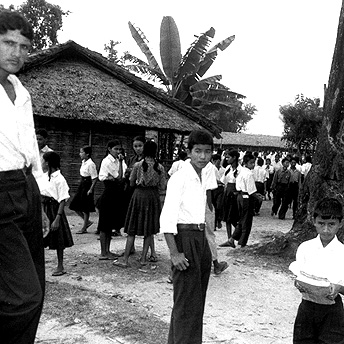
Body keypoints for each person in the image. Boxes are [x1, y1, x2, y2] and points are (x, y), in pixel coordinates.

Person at [0, 10, 49, 343]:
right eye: (7, 42)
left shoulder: (21, 90)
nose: (16, 53)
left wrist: (41, 200)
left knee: (38, 291)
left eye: (23, 46)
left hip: (27, 187)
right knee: (23, 296)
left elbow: (32, 147)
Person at [160, 129, 215, 344]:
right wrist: (174, 252)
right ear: (189, 152)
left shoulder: (205, 172)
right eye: (198, 151)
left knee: (196, 303)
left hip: (201, 239)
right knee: (185, 304)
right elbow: (166, 219)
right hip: (184, 237)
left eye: (207, 152)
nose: (203, 156)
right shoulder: (179, 177)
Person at [289, 198, 344, 343]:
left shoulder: (342, 252)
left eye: (331, 224)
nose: (326, 229)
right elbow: (299, 274)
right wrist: (299, 283)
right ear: (314, 221)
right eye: (321, 224)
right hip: (307, 308)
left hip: (332, 312)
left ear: (340, 224)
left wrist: (338, 287)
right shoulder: (305, 248)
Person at [115, 141, 166, 267]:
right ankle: (143, 258)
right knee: (149, 230)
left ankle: (125, 260)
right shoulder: (160, 167)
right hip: (152, 197)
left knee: (132, 228)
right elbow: (163, 186)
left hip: (139, 195)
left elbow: (131, 183)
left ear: (144, 151)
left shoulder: (138, 165)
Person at [41, 151, 74, 276]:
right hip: (44, 208)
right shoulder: (44, 176)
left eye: (43, 161)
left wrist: (57, 218)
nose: (42, 164)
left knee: (58, 238)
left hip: (54, 210)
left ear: (48, 163)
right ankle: (38, 264)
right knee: (40, 237)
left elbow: (62, 200)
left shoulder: (60, 179)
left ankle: (60, 265)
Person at [96, 140, 127, 260]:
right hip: (109, 194)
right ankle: (103, 252)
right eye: (116, 149)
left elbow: (123, 175)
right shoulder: (107, 161)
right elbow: (119, 176)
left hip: (117, 194)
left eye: (120, 149)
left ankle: (108, 251)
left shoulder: (121, 161)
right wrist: (120, 164)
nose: (118, 151)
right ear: (109, 149)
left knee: (110, 226)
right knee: (104, 225)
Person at [229, 153, 264, 248]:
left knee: (241, 219)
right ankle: (242, 243)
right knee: (247, 221)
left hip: (240, 196)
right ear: (245, 163)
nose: (253, 165)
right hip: (246, 198)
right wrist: (258, 197)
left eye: (254, 163)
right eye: (251, 163)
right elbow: (251, 190)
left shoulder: (241, 172)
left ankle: (232, 238)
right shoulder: (249, 174)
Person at [69, 145, 98, 234]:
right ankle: (87, 222)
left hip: (87, 185)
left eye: (82, 152)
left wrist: (91, 189)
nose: (80, 154)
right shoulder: (83, 162)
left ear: (87, 154)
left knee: (85, 207)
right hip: (82, 184)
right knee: (75, 205)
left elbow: (94, 178)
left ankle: (84, 227)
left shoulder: (91, 164)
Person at [219, 149, 241, 248]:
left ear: (235, 158)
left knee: (233, 217)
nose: (227, 159)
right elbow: (223, 181)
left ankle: (237, 235)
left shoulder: (240, 170)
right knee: (227, 217)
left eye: (229, 157)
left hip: (235, 193)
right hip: (227, 192)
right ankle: (229, 239)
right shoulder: (228, 168)